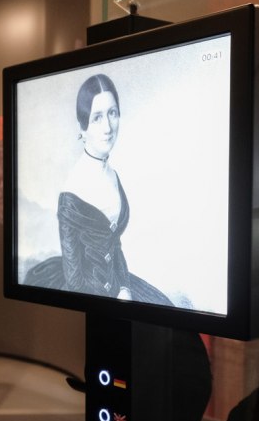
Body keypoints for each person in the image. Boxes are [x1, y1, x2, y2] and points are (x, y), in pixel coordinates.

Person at [25, 73, 172, 305]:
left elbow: (114, 245)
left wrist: (123, 287)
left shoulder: (113, 175)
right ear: (82, 127)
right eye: (97, 118)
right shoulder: (71, 193)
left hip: (117, 283)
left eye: (112, 113)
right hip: (86, 293)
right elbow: (75, 283)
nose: (107, 127)